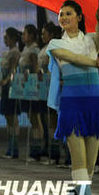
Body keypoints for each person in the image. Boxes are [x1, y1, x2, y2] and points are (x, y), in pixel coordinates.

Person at [47, 0, 99, 195]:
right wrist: (94, 63)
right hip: (71, 105)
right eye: (61, 14)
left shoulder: (91, 40)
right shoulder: (55, 44)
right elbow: (71, 57)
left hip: (94, 104)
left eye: (68, 13)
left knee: (89, 165)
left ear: (79, 17)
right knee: (79, 160)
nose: (63, 17)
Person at [38, 22, 62, 164]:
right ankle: (50, 150)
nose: (42, 36)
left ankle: (55, 154)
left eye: (44, 33)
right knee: (47, 121)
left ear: (52, 35)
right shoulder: (44, 48)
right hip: (44, 87)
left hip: (54, 86)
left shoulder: (54, 48)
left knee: (53, 121)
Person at [18, 24, 43, 161]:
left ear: (32, 35)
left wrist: (32, 85)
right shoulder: (26, 49)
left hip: (31, 87)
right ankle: (36, 148)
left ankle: (37, 150)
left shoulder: (34, 50)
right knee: (31, 117)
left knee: (35, 118)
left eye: (25, 33)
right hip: (25, 86)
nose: (23, 36)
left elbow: (35, 68)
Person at [0, 27, 21, 159]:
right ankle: (10, 147)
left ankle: (14, 148)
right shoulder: (7, 52)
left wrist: (7, 80)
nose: (4, 40)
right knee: (8, 117)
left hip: (11, 86)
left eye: (6, 37)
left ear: (13, 38)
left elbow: (13, 69)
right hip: (5, 85)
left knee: (12, 117)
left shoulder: (15, 52)